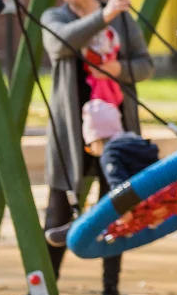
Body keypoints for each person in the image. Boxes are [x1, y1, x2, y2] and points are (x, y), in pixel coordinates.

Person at [9, 0, 153, 295]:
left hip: (115, 130)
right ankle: (43, 289)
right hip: (70, 132)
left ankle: (111, 290)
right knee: (57, 211)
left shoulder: (121, 17)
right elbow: (59, 44)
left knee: (114, 204)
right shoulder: (55, 16)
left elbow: (145, 64)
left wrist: (120, 69)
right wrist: (103, 15)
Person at [43, 100, 161, 266]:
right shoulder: (135, 142)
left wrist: (124, 208)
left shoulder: (110, 152)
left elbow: (118, 184)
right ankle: (77, 226)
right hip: (155, 194)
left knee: (103, 209)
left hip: (137, 202)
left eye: (90, 147)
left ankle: (77, 228)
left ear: (96, 139)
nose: (92, 152)